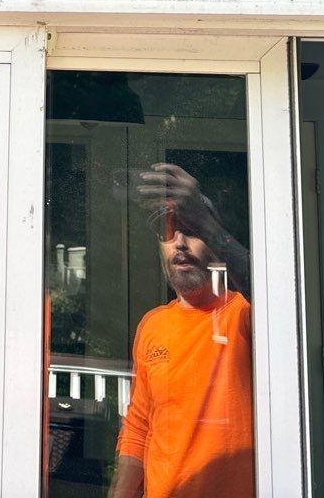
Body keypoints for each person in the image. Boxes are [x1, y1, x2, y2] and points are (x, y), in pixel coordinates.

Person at [108, 163, 254, 498]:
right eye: (168, 232)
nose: (180, 243)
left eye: (191, 230)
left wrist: (205, 219)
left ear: (213, 242)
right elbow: (138, 427)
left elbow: (280, 296)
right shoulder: (153, 324)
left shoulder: (245, 311)